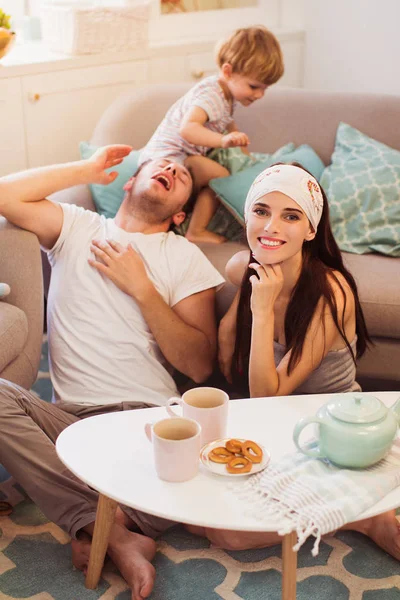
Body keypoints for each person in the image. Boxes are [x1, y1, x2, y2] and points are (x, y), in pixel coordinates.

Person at [0, 146, 225, 600]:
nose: (169, 169)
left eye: (181, 174)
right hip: (74, 431)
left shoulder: (183, 256)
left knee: (190, 485)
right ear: (128, 182)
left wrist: (142, 289)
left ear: (181, 214)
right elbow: (4, 196)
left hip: (145, 423)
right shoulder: (79, 226)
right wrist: (85, 169)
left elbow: (200, 364)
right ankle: (115, 530)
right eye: (160, 164)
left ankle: (94, 518)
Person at [194, 162, 400, 558]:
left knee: (229, 535)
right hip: (275, 425)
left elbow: (265, 395)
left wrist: (264, 308)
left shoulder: (330, 293)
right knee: (192, 503)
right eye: (261, 211)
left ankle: (364, 519)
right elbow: (230, 347)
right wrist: (234, 317)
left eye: (290, 216)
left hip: (330, 431)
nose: (270, 227)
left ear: (310, 229)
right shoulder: (242, 267)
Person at [139, 25, 284, 245]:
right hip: (168, 158)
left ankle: (186, 223)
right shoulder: (211, 96)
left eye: (265, 88)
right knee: (221, 177)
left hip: (179, 158)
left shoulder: (225, 95)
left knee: (217, 175)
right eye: (254, 86)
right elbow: (187, 129)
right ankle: (196, 230)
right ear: (227, 72)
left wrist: (240, 146)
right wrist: (223, 141)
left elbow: (226, 121)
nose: (260, 95)